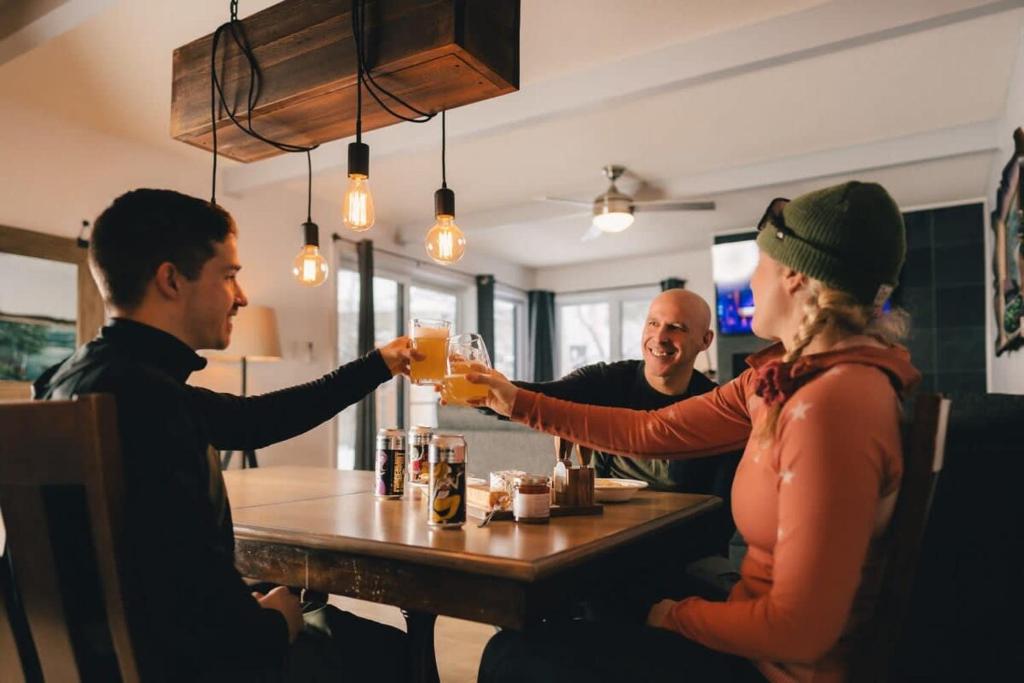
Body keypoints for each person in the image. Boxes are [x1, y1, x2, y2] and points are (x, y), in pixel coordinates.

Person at [471, 181, 920, 683]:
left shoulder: (830, 404)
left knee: (512, 657)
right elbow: (652, 430)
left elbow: (798, 629)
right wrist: (513, 400)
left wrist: (674, 616)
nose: (752, 279)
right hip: (752, 633)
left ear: (793, 275)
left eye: (760, 263)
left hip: (774, 667)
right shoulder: (782, 380)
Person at [33, 189, 415, 682]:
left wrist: (378, 364)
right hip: (185, 668)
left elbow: (257, 419)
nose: (243, 296)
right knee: (385, 651)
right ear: (171, 280)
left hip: (100, 659)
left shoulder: (76, 380)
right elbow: (224, 635)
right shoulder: (152, 401)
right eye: (229, 275)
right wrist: (278, 617)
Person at [511, 288, 740, 567]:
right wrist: (480, 385)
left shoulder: (718, 409)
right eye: (653, 323)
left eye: (676, 327)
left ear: (705, 341)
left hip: (681, 559)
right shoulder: (606, 380)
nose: (660, 337)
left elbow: (719, 518)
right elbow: (536, 397)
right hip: (600, 545)